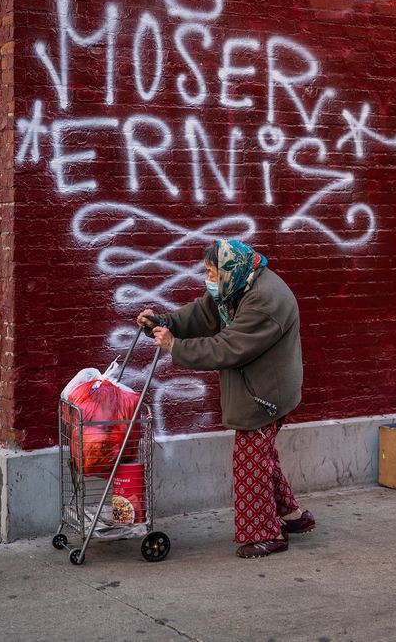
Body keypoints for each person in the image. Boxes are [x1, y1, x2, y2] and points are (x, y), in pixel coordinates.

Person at [137, 239, 314, 558]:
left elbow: (227, 348)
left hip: (263, 395)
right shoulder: (239, 284)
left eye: (211, 272)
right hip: (257, 387)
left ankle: (265, 534)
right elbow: (203, 313)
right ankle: (290, 516)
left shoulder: (263, 300)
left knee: (249, 461)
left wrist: (175, 346)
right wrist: (164, 322)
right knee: (262, 456)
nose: (208, 279)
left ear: (229, 270)